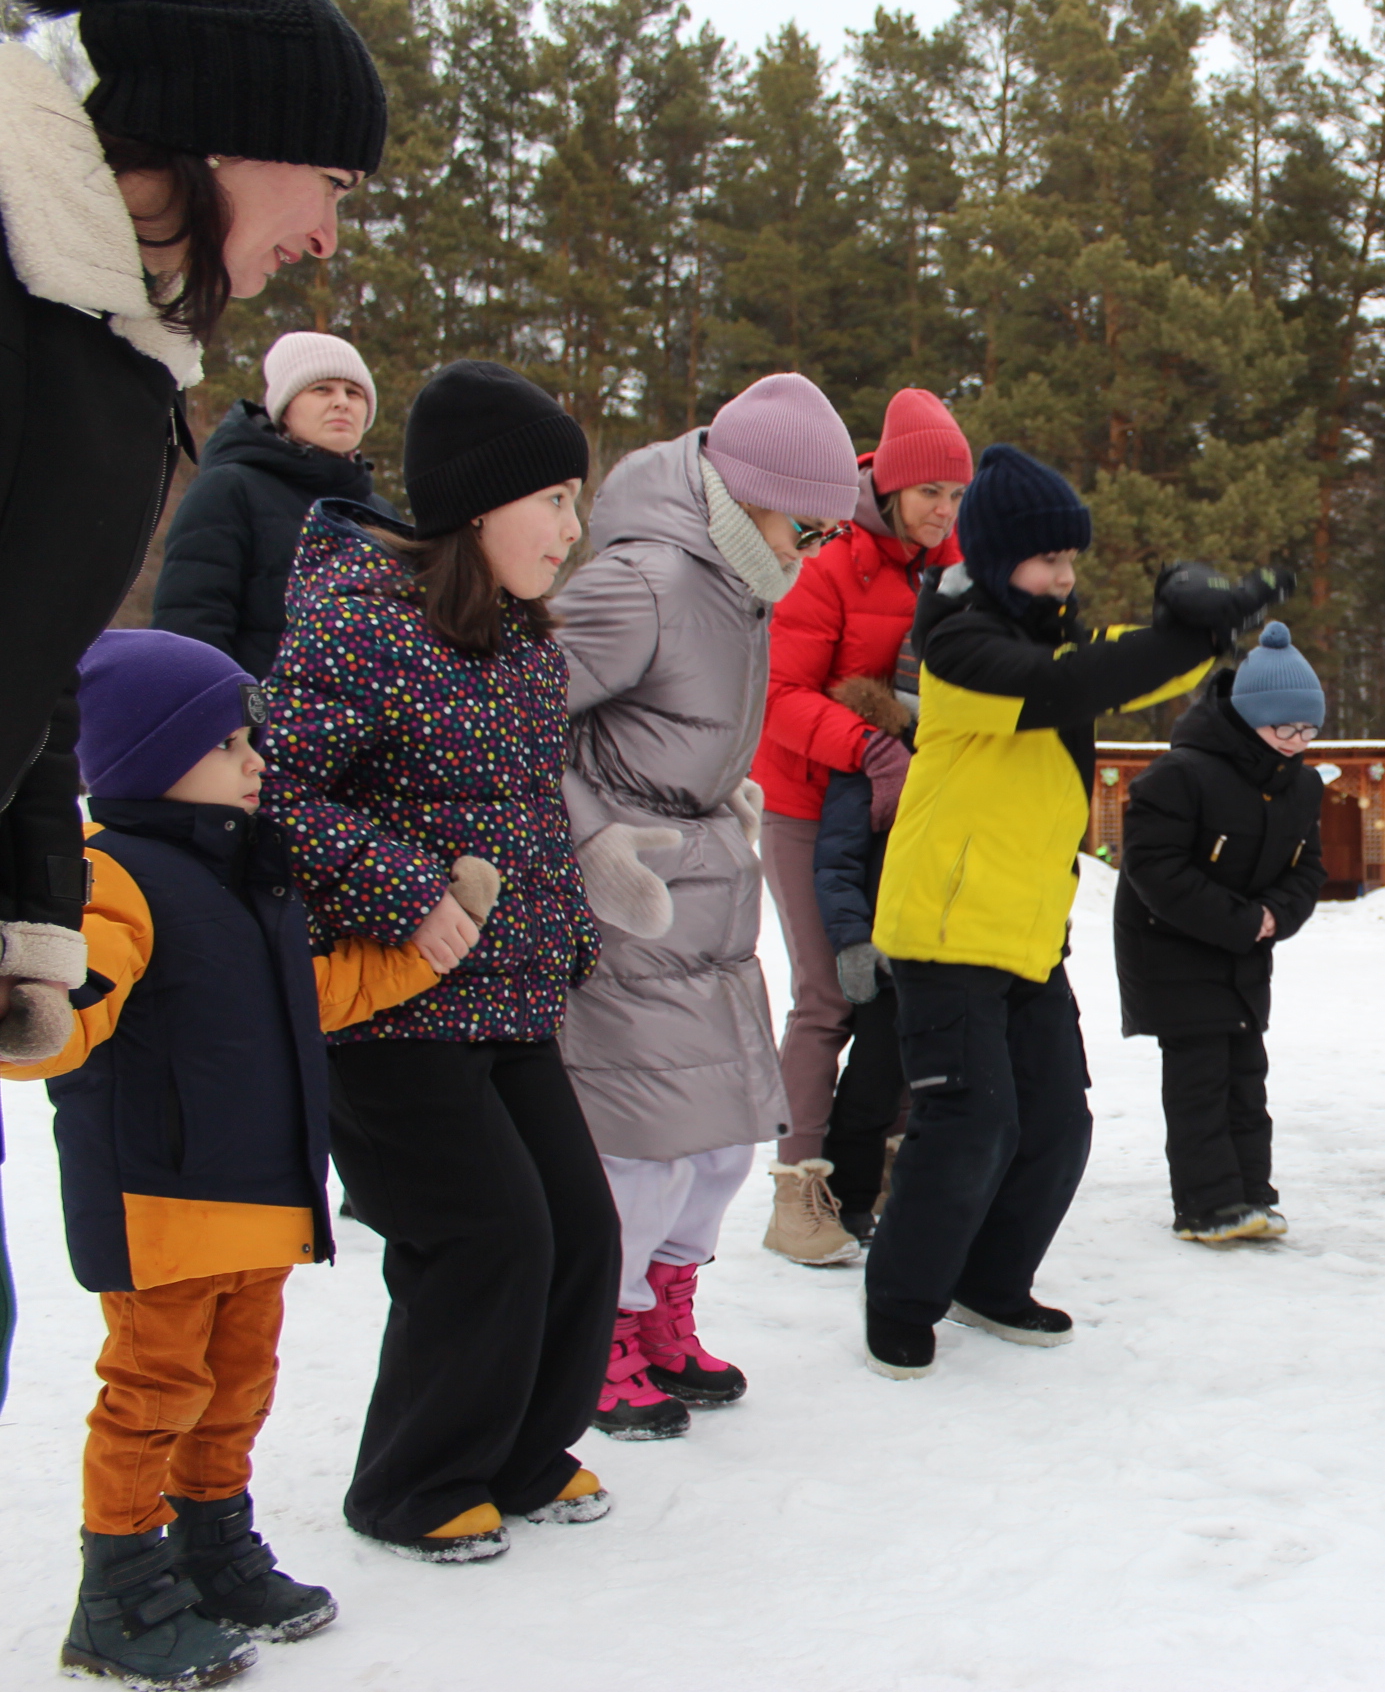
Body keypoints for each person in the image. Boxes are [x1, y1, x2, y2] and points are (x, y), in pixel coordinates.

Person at [0, 0, 382, 1409]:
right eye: (328, 182)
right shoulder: (33, 317)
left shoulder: (106, 346)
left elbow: (35, 658)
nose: (325, 234)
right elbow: (167, 644)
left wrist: (31, 912)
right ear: (224, 134)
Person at [3, 632, 461, 1688]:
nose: (257, 759)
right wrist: (33, 1007)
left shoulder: (249, 877)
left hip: (257, 1195)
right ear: (154, 755)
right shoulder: (113, 878)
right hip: (162, 1201)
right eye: (228, 742)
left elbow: (315, 997)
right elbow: (76, 1006)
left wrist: (427, 947)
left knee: (238, 1386)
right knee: (153, 1393)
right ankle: (118, 1592)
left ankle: (211, 1547)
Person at [264, 360, 618, 1562]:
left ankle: (520, 1450)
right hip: (389, 1010)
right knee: (485, 1235)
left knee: (578, 1228)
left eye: (576, 501)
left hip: (507, 998)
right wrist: (407, 893)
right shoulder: (359, 621)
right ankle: (414, 1482)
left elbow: (526, 814)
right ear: (476, 506)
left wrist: (567, 930)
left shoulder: (526, 645)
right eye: (554, 500)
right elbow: (273, 795)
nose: (571, 528)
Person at [861, 444, 1286, 1378]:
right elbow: (1071, 683)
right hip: (945, 929)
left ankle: (989, 1279)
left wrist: (1204, 629)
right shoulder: (958, 647)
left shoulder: (1046, 635)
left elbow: (1120, 664)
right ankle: (900, 1298)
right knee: (969, 1124)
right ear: (998, 557)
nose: (1064, 578)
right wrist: (1187, 633)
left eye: (1071, 561)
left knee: (1057, 1127)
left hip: (1025, 933)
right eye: (1048, 560)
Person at [553, 373, 861, 1438]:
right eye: (806, 527)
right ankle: (599, 1329)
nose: (813, 549)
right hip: (633, 896)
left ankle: (664, 1311)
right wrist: (592, 837)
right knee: (644, 1142)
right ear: (748, 496)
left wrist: (725, 796)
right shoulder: (641, 580)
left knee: (724, 1136)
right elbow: (509, 717)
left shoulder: (739, 583)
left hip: (708, 888)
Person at [751, 388, 971, 1261]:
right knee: (830, 994)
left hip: (914, 812)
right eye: (930, 493)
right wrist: (870, 749)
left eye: (956, 495)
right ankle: (797, 1191)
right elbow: (778, 695)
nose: (945, 511)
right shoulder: (829, 559)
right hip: (810, 802)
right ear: (891, 486)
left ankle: (878, 1171)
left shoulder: (956, 565)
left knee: (908, 992)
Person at [1114, 622, 1328, 1242]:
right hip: (1169, 948)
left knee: (1246, 1075)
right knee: (1200, 1078)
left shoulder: (1300, 784)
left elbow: (1308, 867)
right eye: (1283, 729)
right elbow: (1153, 867)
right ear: (1248, 718)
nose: (1296, 742)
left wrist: (1275, 915)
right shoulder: (1179, 775)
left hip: (1244, 952)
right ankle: (1206, 1205)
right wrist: (1241, 920)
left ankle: (1252, 1195)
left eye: (1308, 730)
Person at [153, 331, 395, 675]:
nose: (342, 402)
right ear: (284, 407)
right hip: (260, 705)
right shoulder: (229, 489)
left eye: (354, 392)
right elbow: (190, 623)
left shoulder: (382, 514)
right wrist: (224, 705)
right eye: (321, 389)